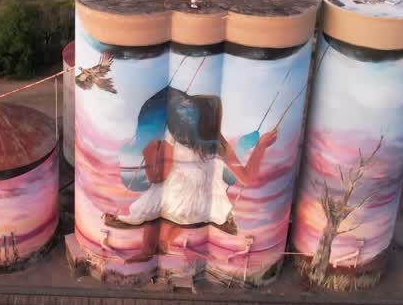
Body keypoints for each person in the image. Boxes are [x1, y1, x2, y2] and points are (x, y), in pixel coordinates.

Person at [104, 88, 276, 263]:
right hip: (204, 204)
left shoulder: (174, 137)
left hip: (177, 198)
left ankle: (147, 250)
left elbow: (161, 175)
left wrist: (150, 155)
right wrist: (261, 146)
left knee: (156, 201)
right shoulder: (220, 145)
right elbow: (247, 178)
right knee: (175, 207)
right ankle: (163, 245)